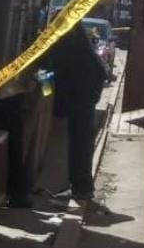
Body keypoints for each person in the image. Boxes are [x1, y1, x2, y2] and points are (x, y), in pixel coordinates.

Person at [45, 19, 109, 201]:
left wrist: (46, 93)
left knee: (79, 147)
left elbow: (47, 73)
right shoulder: (83, 47)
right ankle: (81, 187)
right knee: (83, 147)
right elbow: (101, 73)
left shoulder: (62, 47)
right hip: (85, 104)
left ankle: (80, 188)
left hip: (77, 103)